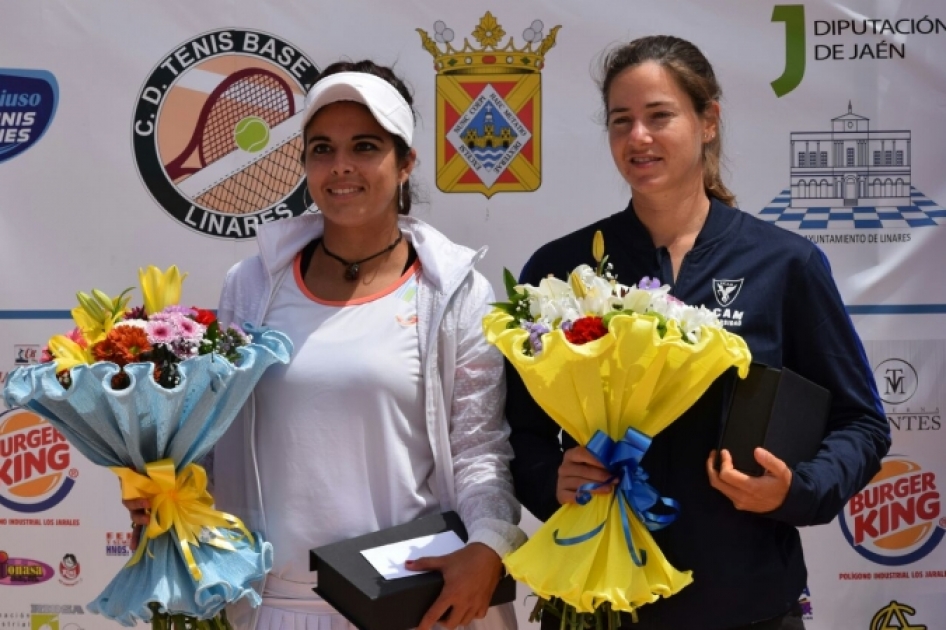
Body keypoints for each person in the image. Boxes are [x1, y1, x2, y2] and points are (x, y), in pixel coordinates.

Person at [505, 35, 890, 630]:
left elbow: (861, 422)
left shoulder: (785, 265)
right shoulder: (563, 271)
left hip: (746, 604)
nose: (638, 137)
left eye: (659, 116)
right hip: (602, 606)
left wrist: (797, 489)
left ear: (708, 121)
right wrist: (552, 478)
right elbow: (516, 433)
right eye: (620, 121)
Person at [127, 60, 525, 630]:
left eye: (365, 147)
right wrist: (166, 495)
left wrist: (488, 544)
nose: (341, 167)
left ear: (406, 161)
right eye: (321, 149)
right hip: (274, 606)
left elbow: (481, 449)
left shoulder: (455, 291)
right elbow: (212, 439)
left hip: (410, 605)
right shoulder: (253, 284)